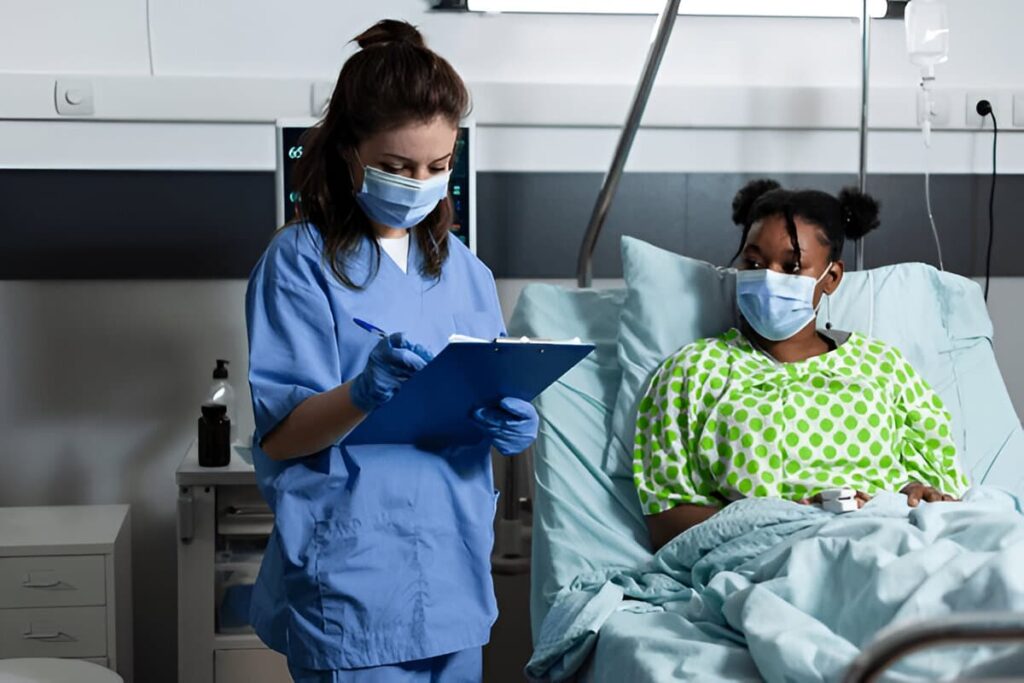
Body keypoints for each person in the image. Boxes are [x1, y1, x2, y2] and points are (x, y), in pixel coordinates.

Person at [244, 20, 538, 682]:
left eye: (438, 167)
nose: (420, 182)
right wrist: (361, 392)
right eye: (398, 167)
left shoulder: (466, 272)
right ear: (350, 152)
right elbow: (283, 437)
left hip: (453, 573)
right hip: (352, 576)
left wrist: (512, 423)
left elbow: (483, 396)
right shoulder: (299, 263)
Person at [632, 179, 970, 551]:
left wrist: (914, 497)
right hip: (770, 558)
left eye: (792, 267)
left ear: (832, 277)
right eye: (754, 262)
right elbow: (665, 522)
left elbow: (945, 496)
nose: (768, 278)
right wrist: (785, 520)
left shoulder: (883, 368)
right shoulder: (694, 371)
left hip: (895, 542)